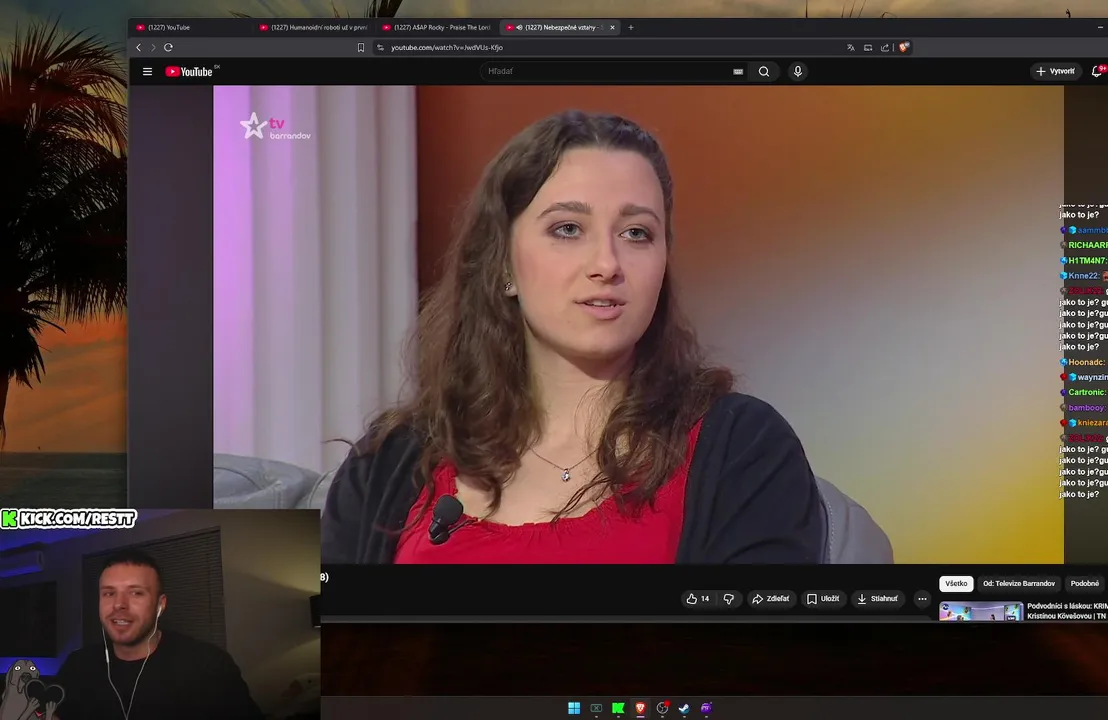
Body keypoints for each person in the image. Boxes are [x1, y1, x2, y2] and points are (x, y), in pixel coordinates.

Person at [321, 110, 825, 564]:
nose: (607, 264)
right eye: (567, 229)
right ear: (503, 266)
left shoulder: (744, 448)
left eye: (636, 233)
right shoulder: (391, 460)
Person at [53, 550, 263, 720]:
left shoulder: (209, 666)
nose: (118, 604)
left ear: (160, 605)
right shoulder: (76, 666)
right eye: (109, 593)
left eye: (136, 593)